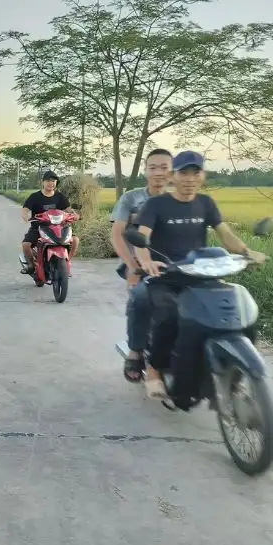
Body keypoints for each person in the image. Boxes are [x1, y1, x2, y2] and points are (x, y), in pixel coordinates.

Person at [134, 150, 266, 401]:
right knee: (168, 315)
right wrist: (147, 261)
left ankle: (233, 370)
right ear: (173, 176)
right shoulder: (157, 204)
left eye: (196, 172)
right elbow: (142, 238)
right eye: (184, 172)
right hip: (166, 276)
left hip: (201, 275)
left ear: (203, 175)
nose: (190, 178)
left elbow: (225, 234)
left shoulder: (206, 203)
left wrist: (247, 252)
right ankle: (154, 370)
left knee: (237, 310)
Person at [109, 148, 173, 382]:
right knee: (141, 300)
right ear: (145, 171)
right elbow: (117, 234)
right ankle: (136, 351)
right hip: (136, 260)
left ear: (172, 171)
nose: (158, 172)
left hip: (170, 263)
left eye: (164, 167)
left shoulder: (179, 200)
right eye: (153, 167)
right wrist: (131, 266)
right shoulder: (131, 199)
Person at [20, 170, 80, 274]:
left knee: (75, 240)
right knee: (26, 245)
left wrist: (74, 214)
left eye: (53, 181)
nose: (51, 183)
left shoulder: (60, 196)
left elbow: (68, 209)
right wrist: (25, 216)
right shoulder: (35, 196)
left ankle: (66, 262)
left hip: (59, 227)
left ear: (56, 183)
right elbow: (25, 208)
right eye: (48, 180)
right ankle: (31, 266)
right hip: (39, 227)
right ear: (42, 182)